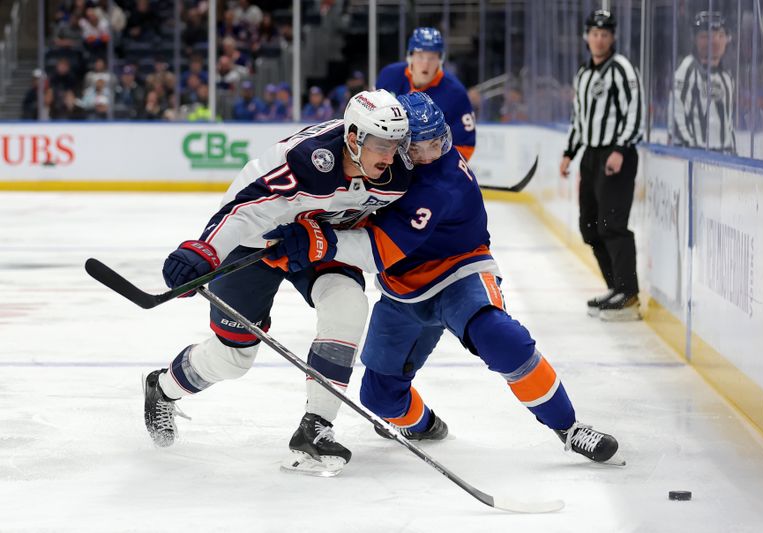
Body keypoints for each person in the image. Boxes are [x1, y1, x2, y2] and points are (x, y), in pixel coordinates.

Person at [265, 93, 622, 465]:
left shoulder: (439, 183)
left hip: (459, 273)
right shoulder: (380, 159)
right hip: (402, 290)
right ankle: (424, 425)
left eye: (438, 143)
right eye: (420, 148)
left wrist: (317, 243)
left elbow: (379, 251)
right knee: (378, 398)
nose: (433, 154)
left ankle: (570, 428)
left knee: (500, 336)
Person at [142, 89, 413, 477]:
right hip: (256, 241)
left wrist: (319, 239)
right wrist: (205, 252)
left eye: (395, 144)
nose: (389, 156)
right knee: (232, 358)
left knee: (349, 304)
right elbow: (244, 211)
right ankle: (163, 387)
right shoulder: (307, 161)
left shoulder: (397, 172)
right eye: (380, 145)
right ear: (353, 138)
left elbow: (384, 240)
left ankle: (315, 427)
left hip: (316, 242)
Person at [559, 10, 644, 321]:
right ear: (586, 37)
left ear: (613, 38)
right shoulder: (583, 74)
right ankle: (616, 288)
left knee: (612, 224)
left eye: (605, 34)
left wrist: (621, 148)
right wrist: (570, 152)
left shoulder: (622, 69)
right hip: (591, 156)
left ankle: (628, 292)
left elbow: (635, 111)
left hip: (616, 155)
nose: (599, 39)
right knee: (590, 227)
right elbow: (578, 118)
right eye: (594, 34)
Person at [376, 27, 476, 161]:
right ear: (410, 56)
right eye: (420, 56)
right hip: (391, 160)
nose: (425, 63)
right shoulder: (389, 76)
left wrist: (438, 170)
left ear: (440, 60)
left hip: (431, 164)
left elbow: (465, 146)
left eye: (432, 57)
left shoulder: (456, 93)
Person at [670, 11, 736, 154]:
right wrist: (692, 153)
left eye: (720, 35)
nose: (715, 41)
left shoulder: (727, 76)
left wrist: (733, 152)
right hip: (696, 158)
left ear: (727, 39)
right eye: (706, 36)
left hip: (725, 159)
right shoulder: (687, 70)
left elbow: (729, 122)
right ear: (695, 39)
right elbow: (676, 116)